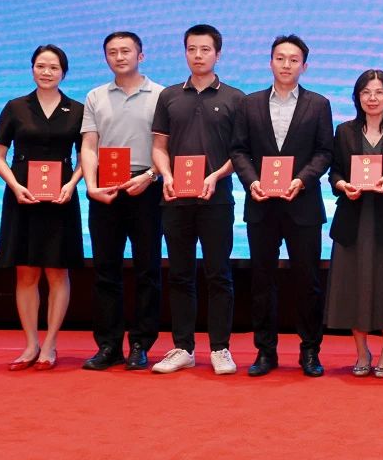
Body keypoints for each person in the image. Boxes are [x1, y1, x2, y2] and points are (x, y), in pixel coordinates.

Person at [229, 35, 333, 378]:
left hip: (302, 205)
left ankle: (310, 351)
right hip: (261, 205)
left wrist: (301, 180)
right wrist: (252, 182)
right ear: (270, 62)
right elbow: (238, 150)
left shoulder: (318, 104)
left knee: (308, 282)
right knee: (262, 281)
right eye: (280, 58)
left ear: (304, 66)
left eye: (293, 59)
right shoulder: (249, 104)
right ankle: (265, 351)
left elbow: (324, 152)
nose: (286, 65)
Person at [149, 25, 245, 375]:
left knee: (219, 274)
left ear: (218, 53)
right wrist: (167, 175)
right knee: (179, 274)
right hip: (176, 199)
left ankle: (220, 347)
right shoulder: (169, 96)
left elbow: (240, 152)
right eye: (192, 49)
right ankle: (182, 347)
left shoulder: (235, 98)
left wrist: (215, 176)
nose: (198, 55)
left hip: (216, 199)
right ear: (185, 53)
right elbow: (159, 146)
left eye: (205, 49)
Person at [0, 44, 84, 370]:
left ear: (63, 73)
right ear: (32, 69)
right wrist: (15, 186)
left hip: (61, 198)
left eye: (54, 67)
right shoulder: (15, 107)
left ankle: (51, 345)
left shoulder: (77, 109)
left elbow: (86, 156)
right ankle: (31, 344)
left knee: (58, 271)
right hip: (23, 197)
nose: (46, 72)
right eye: (41, 66)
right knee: (26, 271)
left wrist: (72, 185)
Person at [79, 31, 164, 371]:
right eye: (112, 52)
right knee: (105, 270)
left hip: (146, 186)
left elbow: (166, 146)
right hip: (106, 189)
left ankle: (141, 344)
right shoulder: (95, 96)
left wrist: (151, 177)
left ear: (140, 56)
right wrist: (90, 185)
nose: (119, 57)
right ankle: (109, 345)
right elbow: (89, 145)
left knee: (148, 269)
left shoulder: (161, 95)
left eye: (126, 51)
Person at [325, 70, 383, 378]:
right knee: (353, 284)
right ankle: (362, 351)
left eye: (379, 92)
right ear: (357, 97)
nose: (372, 98)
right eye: (366, 92)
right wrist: (342, 185)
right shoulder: (344, 131)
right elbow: (334, 172)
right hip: (353, 219)